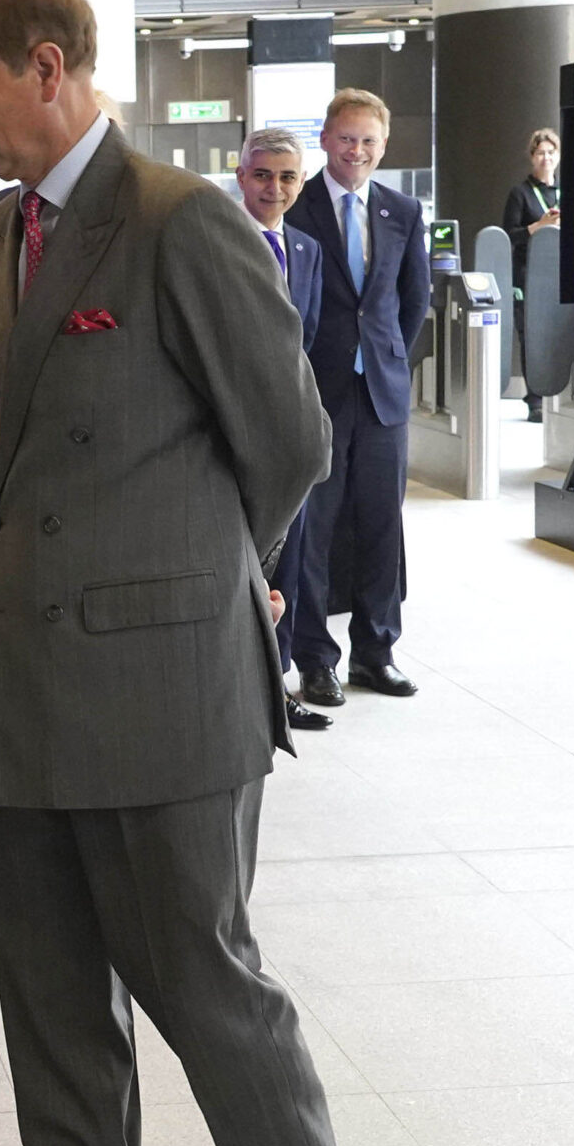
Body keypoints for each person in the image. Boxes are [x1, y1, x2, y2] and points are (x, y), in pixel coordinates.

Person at [0, 0, 364, 1146]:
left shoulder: (184, 224)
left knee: (199, 976)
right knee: (48, 1000)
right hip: (33, 688)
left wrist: (205, 579)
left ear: (48, 70)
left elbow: (290, 440)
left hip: (172, 685)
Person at [283, 88, 430, 708]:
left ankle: (377, 651)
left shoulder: (402, 210)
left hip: (383, 397)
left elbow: (413, 300)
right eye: (347, 138)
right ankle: (317, 659)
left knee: (381, 527)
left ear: (384, 145)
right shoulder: (298, 204)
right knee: (314, 529)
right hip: (317, 392)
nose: (358, 151)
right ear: (324, 138)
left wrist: (387, 360)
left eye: (369, 141)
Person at [234, 127, 331, 733]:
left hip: (287, 433)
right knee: (244, 562)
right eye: (263, 174)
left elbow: (307, 340)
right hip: (233, 429)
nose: (275, 187)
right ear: (241, 176)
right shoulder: (216, 240)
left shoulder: (306, 250)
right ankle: (244, 685)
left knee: (288, 561)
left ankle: (279, 683)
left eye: (287, 176)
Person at [503, 128, 562, 422]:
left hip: (561, 275)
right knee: (531, 337)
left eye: (551, 152)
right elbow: (507, 236)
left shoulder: (567, 190)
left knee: (559, 335)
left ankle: (560, 394)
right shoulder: (521, 193)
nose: (546, 158)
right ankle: (535, 398)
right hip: (528, 276)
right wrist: (537, 226)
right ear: (532, 157)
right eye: (541, 153)